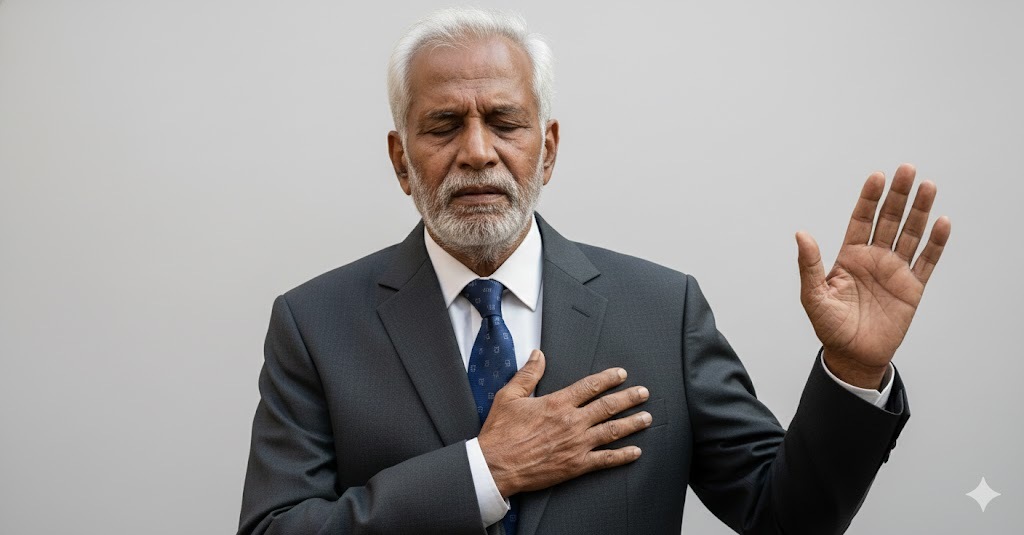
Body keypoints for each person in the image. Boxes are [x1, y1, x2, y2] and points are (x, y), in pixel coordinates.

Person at [237, 8, 950, 535]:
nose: (478, 152)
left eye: (505, 122)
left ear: (547, 150)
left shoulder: (663, 311)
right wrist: (486, 469)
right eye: (444, 125)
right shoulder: (315, 325)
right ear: (401, 160)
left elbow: (785, 517)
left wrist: (854, 370)